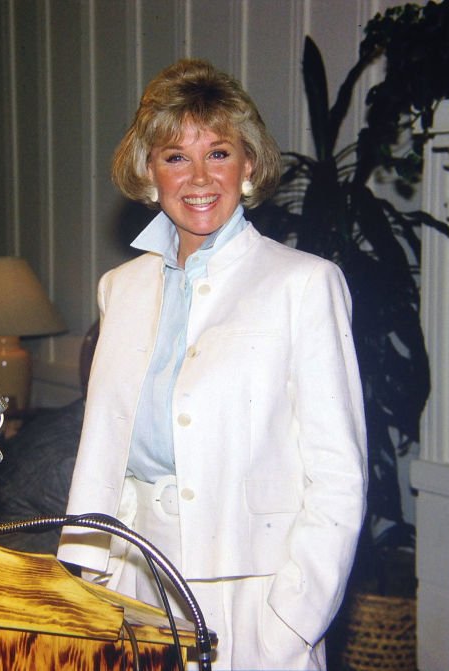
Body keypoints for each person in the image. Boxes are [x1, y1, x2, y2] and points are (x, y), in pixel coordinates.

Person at [56, 59, 367, 670]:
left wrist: (291, 623)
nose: (199, 177)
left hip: (248, 591)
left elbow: (338, 478)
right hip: (129, 576)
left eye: (219, 153)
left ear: (248, 165)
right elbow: (107, 444)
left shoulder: (304, 284)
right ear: (150, 172)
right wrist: (87, 573)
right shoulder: (120, 287)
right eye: (175, 157)